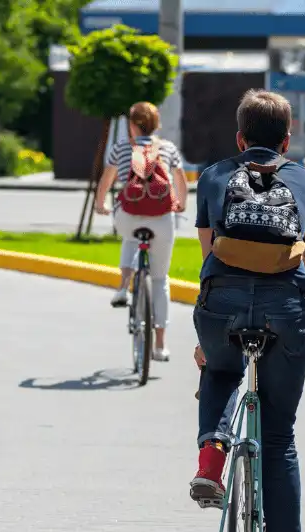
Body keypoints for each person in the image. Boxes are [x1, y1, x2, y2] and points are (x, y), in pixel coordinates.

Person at [189, 90, 305, 532]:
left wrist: (206, 341)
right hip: (286, 312)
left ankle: (211, 456)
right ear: (287, 140)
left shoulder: (213, 176)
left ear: (239, 139)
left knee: (219, 371)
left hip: (222, 306)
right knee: (277, 440)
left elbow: (210, 263)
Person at [94, 101, 188, 362]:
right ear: (156, 125)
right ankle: (160, 345)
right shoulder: (168, 148)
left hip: (129, 216)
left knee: (129, 238)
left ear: (132, 125)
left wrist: (100, 204)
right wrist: (181, 204)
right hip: (162, 219)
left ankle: (123, 286)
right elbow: (180, 181)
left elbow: (106, 179)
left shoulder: (121, 148)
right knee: (160, 279)